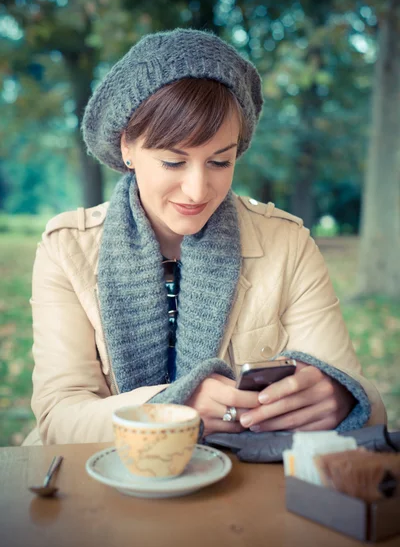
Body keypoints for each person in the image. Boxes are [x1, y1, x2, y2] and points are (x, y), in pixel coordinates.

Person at [23, 28, 386, 446]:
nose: (198, 190)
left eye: (219, 161)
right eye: (173, 162)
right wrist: (172, 409)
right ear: (127, 147)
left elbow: (367, 405)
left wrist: (343, 397)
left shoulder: (287, 244)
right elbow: (58, 419)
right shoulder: (66, 249)